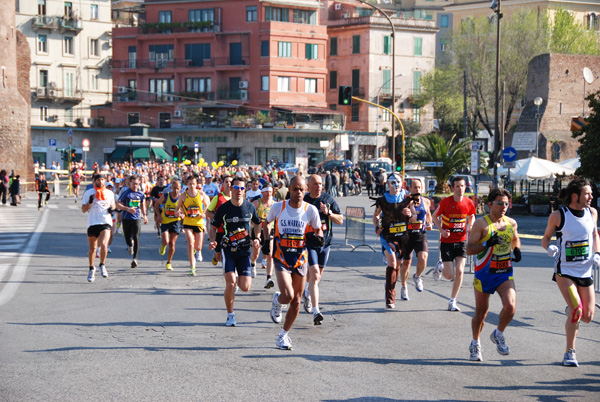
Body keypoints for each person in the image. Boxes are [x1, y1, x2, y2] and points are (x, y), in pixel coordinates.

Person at [541, 178, 599, 367]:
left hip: (585, 271)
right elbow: (545, 238)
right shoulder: (559, 215)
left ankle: (572, 309)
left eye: (591, 193)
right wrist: (549, 248)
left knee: (588, 317)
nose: (591, 196)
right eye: (587, 194)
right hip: (565, 271)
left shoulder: (592, 213)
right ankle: (570, 352)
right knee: (577, 310)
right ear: (575, 196)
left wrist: (597, 253)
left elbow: (594, 235)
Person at [265, 175, 322, 349]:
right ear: (289, 189)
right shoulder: (278, 207)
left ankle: (283, 335)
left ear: (306, 191)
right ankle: (278, 299)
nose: (298, 192)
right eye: (295, 189)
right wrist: (267, 241)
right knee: (288, 295)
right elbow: (266, 224)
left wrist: (318, 239)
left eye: (301, 189)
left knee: (296, 301)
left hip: (300, 259)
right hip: (282, 257)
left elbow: (318, 231)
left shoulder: (310, 210)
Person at [466, 187, 521, 362]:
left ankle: (498, 333)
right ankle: (475, 343)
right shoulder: (481, 224)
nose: (503, 206)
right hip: (485, 273)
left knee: (510, 306)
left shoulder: (511, 223)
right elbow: (468, 249)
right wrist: (486, 244)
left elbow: (515, 238)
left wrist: (517, 249)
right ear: (490, 204)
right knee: (481, 313)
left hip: (504, 273)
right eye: (499, 203)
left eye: (506, 203)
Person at [208, 176, 261, 327]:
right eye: (236, 188)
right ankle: (230, 315)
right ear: (231, 189)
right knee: (230, 283)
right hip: (228, 249)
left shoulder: (250, 207)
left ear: (246, 190)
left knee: (245, 287)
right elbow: (213, 227)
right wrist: (213, 241)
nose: (239, 191)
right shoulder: (223, 209)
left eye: (242, 188)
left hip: (245, 251)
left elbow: (257, 224)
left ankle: (238, 280)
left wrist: (257, 237)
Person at [302, 174, 343, 324]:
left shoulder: (328, 200)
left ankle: (307, 291)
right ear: (308, 186)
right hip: (309, 243)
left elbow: (340, 220)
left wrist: (328, 213)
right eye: (315, 184)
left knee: (315, 277)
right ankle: (316, 310)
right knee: (316, 276)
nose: (318, 186)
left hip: (325, 244)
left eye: (320, 183)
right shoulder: (304, 201)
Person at [432, 176, 476, 311]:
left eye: (462, 186)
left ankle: (453, 301)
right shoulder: (446, 202)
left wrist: (471, 225)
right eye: (457, 186)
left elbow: (472, 215)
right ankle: (440, 267)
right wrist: (442, 230)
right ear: (453, 188)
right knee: (450, 275)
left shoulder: (469, 202)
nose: (460, 189)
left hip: (461, 240)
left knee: (460, 271)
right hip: (447, 242)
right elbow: (434, 216)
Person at [372, 173, 414, 308]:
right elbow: (376, 215)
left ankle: (391, 284)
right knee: (392, 262)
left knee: (397, 266)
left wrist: (410, 215)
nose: (396, 185)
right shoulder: (382, 200)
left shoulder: (408, 199)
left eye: (398, 182)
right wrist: (377, 226)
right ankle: (390, 297)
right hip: (387, 236)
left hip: (402, 237)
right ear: (388, 184)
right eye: (393, 182)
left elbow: (414, 218)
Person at [400, 178, 432, 300]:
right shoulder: (405, 201)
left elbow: (428, 215)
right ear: (410, 189)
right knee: (406, 264)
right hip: (407, 235)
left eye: (419, 187)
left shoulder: (426, 201)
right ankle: (404, 286)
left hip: (420, 234)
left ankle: (417, 276)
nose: (417, 189)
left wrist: (429, 223)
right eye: (415, 187)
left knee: (423, 259)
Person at [81, 174, 116, 282]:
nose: (100, 182)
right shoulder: (89, 193)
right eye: (98, 180)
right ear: (94, 181)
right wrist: (90, 202)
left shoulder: (109, 193)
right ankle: (92, 268)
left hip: (105, 221)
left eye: (102, 180)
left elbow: (113, 205)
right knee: (93, 249)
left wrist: (112, 209)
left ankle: (102, 265)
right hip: (93, 222)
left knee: (104, 244)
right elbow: (83, 209)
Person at [176, 175, 210, 276]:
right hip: (187, 222)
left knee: (198, 246)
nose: (191, 186)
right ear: (187, 184)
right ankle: (192, 267)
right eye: (190, 184)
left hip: (198, 222)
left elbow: (209, 207)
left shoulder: (201, 194)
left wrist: (204, 213)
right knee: (190, 244)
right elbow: (176, 209)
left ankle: (198, 251)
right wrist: (179, 214)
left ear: (196, 184)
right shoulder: (183, 195)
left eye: (193, 184)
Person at [116, 175, 148, 268]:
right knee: (127, 237)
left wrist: (145, 215)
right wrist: (127, 209)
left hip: (136, 218)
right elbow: (118, 204)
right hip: (126, 218)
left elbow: (143, 204)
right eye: (133, 183)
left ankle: (135, 259)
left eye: (137, 184)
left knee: (136, 237)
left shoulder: (141, 194)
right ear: (129, 183)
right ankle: (130, 245)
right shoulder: (126, 193)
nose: (135, 185)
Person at [155, 177, 183, 271]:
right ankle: (163, 246)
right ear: (171, 187)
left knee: (172, 243)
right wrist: (158, 215)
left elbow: (185, 212)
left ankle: (168, 262)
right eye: (174, 188)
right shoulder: (166, 195)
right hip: (165, 221)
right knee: (166, 241)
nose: (176, 190)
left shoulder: (182, 197)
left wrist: (182, 215)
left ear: (180, 188)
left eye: (178, 188)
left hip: (176, 222)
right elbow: (157, 204)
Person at [251, 183, 276, 288]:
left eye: (270, 192)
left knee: (270, 254)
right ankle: (252, 264)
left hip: (270, 231)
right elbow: (251, 218)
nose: (269, 194)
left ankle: (268, 278)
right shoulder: (256, 203)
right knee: (256, 254)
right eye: (267, 192)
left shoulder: (275, 204)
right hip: (258, 231)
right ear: (262, 192)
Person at [206, 175, 233, 265]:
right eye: (226, 182)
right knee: (218, 256)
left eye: (230, 182)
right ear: (223, 184)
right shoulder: (218, 197)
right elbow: (208, 212)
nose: (229, 184)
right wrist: (218, 218)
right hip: (220, 230)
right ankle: (216, 255)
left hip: (233, 230)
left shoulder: (238, 197)